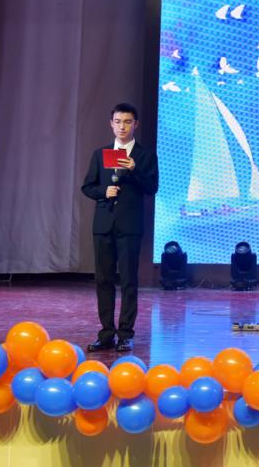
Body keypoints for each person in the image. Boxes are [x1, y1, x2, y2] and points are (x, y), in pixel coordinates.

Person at [80, 103, 159, 352]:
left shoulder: (145, 156)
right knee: (103, 280)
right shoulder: (101, 153)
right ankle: (106, 334)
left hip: (129, 226)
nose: (122, 126)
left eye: (127, 122)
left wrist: (135, 169)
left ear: (135, 124)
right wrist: (104, 192)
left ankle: (125, 334)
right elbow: (87, 186)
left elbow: (152, 188)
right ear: (111, 124)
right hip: (103, 224)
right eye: (117, 121)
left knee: (128, 281)